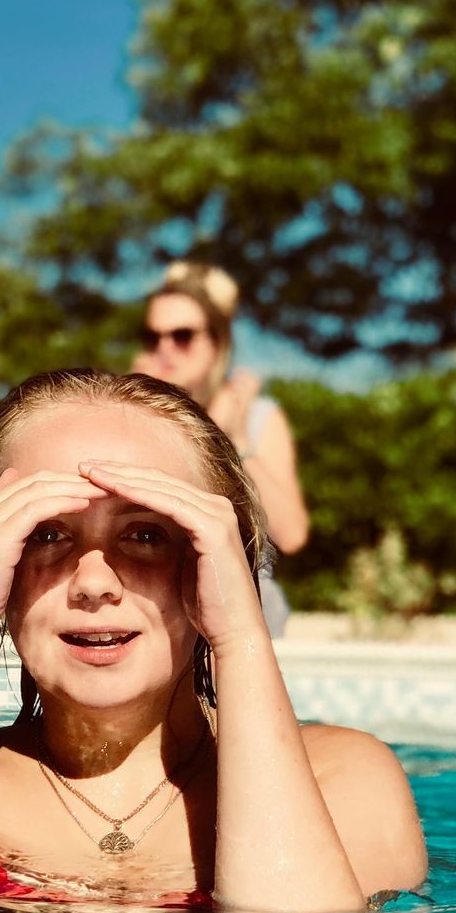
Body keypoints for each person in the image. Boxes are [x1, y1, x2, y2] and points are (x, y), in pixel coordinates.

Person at [0, 370, 425, 913]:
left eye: (145, 533)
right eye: (45, 532)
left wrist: (241, 635)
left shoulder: (346, 781)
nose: (91, 583)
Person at [130, 260, 308, 634]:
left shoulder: (257, 416)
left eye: (182, 335)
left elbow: (291, 534)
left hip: (241, 614)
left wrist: (235, 441)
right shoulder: (130, 415)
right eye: (152, 336)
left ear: (217, 342)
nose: (165, 349)